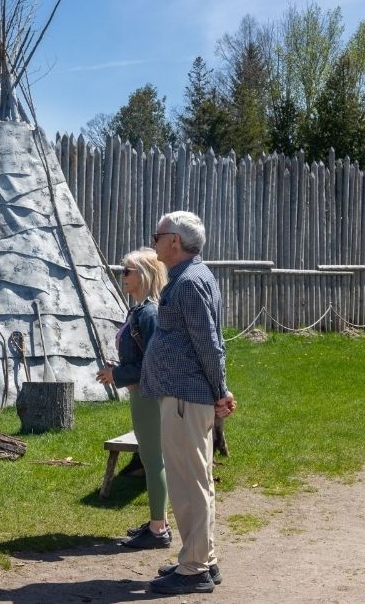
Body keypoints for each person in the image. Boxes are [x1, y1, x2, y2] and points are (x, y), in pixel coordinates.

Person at [141, 211, 237, 595]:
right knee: (197, 482)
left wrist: (220, 391)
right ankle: (203, 559)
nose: (154, 242)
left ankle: (195, 568)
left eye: (158, 235)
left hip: (186, 398)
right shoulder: (189, 278)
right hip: (186, 397)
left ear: (175, 242)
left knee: (189, 485)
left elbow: (209, 344)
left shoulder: (189, 283)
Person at [96, 247, 170, 550]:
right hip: (141, 393)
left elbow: (154, 362)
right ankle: (157, 522)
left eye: (128, 271)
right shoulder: (139, 310)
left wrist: (118, 374)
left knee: (153, 461)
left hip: (149, 394)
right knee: (153, 459)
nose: (122, 275)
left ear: (145, 274)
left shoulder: (149, 313)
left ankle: (158, 530)